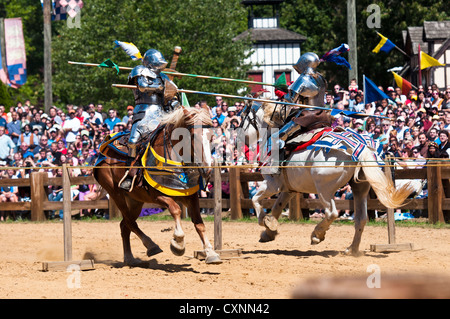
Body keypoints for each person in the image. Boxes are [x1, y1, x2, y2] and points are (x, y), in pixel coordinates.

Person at [120, 49, 179, 191]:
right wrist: (161, 87)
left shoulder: (163, 76)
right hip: (144, 111)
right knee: (133, 141)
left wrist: (173, 96)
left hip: (162, 112)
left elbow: (172, 93)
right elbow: (143, 86)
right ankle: (130, 171)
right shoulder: (140, 70)